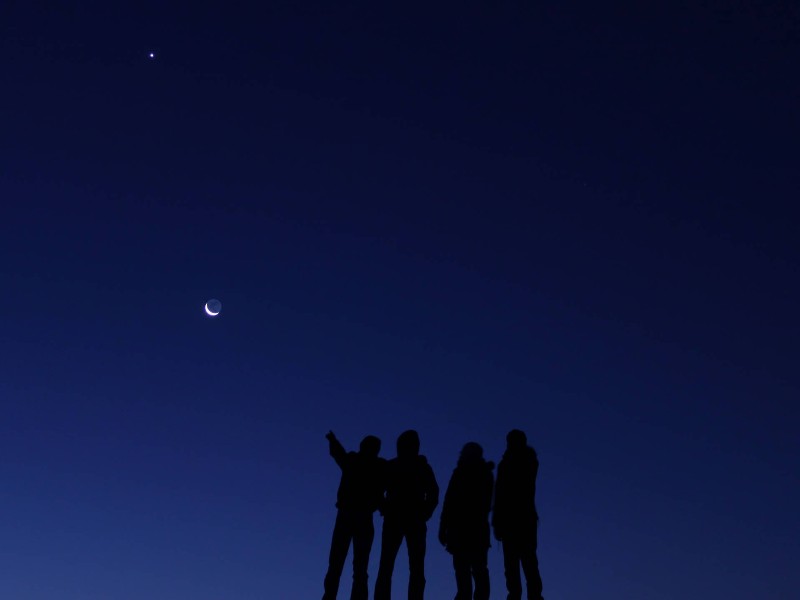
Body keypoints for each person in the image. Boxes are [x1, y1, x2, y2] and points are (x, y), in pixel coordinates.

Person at [374, 430, 439, 600]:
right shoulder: (397, 466)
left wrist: (425, 513)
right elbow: (378, 490)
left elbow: (433, 493)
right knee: (391, 566)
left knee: (408, 568)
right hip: (399, 519)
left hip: (410, 520)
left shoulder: (419, 467)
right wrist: (384, 507)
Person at [322, 431, 386, 600]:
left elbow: (339, 455)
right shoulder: (376, 465)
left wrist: (333, 441)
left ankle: (331, 596)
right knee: (351, 565)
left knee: (346, 564)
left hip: (353, 515)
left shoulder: (365, 463)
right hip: (355, 516)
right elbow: (339, 454)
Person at [438, 442, 494, 600]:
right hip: (464, 531)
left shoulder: (480, 474)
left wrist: (444, 527)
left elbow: (450, 502)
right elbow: (449, 502)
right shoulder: (464, 473)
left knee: (475, 571)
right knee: (468, 572)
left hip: (470, 530)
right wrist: (443, 527)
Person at [492, 429, 544, 600]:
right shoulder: (508, 463)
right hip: (512, 520)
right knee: (513, 564)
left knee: (526, 561)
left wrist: (497, 521)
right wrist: (497, 521)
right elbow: (499, 494)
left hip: (521, 519)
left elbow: (503, 492)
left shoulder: (525, 461)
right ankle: (517, 595)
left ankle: (532, 596)